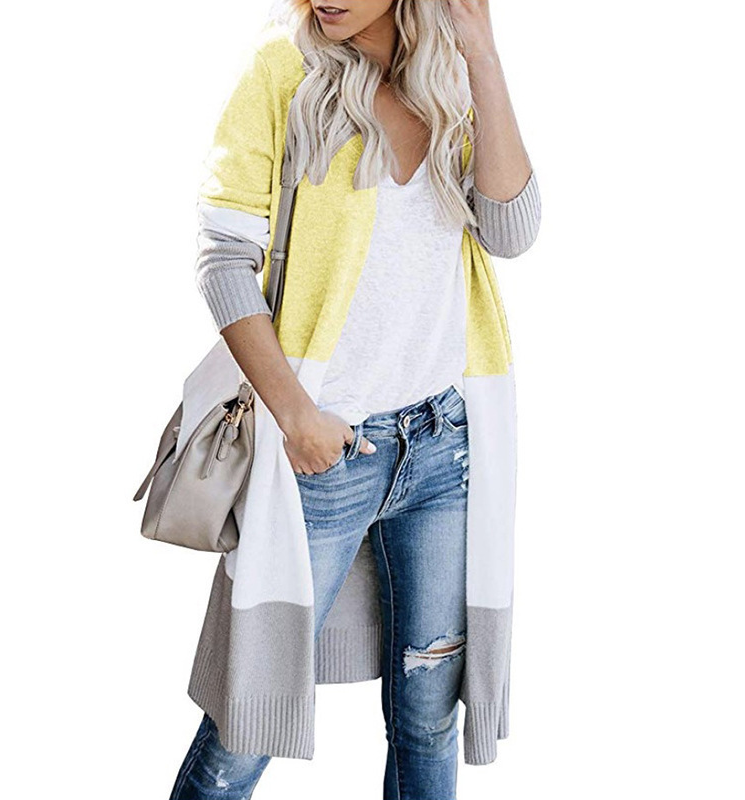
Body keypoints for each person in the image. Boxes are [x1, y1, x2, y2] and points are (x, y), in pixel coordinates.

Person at [169, 1, 540, 798]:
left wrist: (482, 51)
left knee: (429, 715)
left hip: (442, 447)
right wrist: (297, 418)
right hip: (323, 455)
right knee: (247, 724)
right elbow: (223, 258)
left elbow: (510, 231)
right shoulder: (283, 69)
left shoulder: (450, 78)